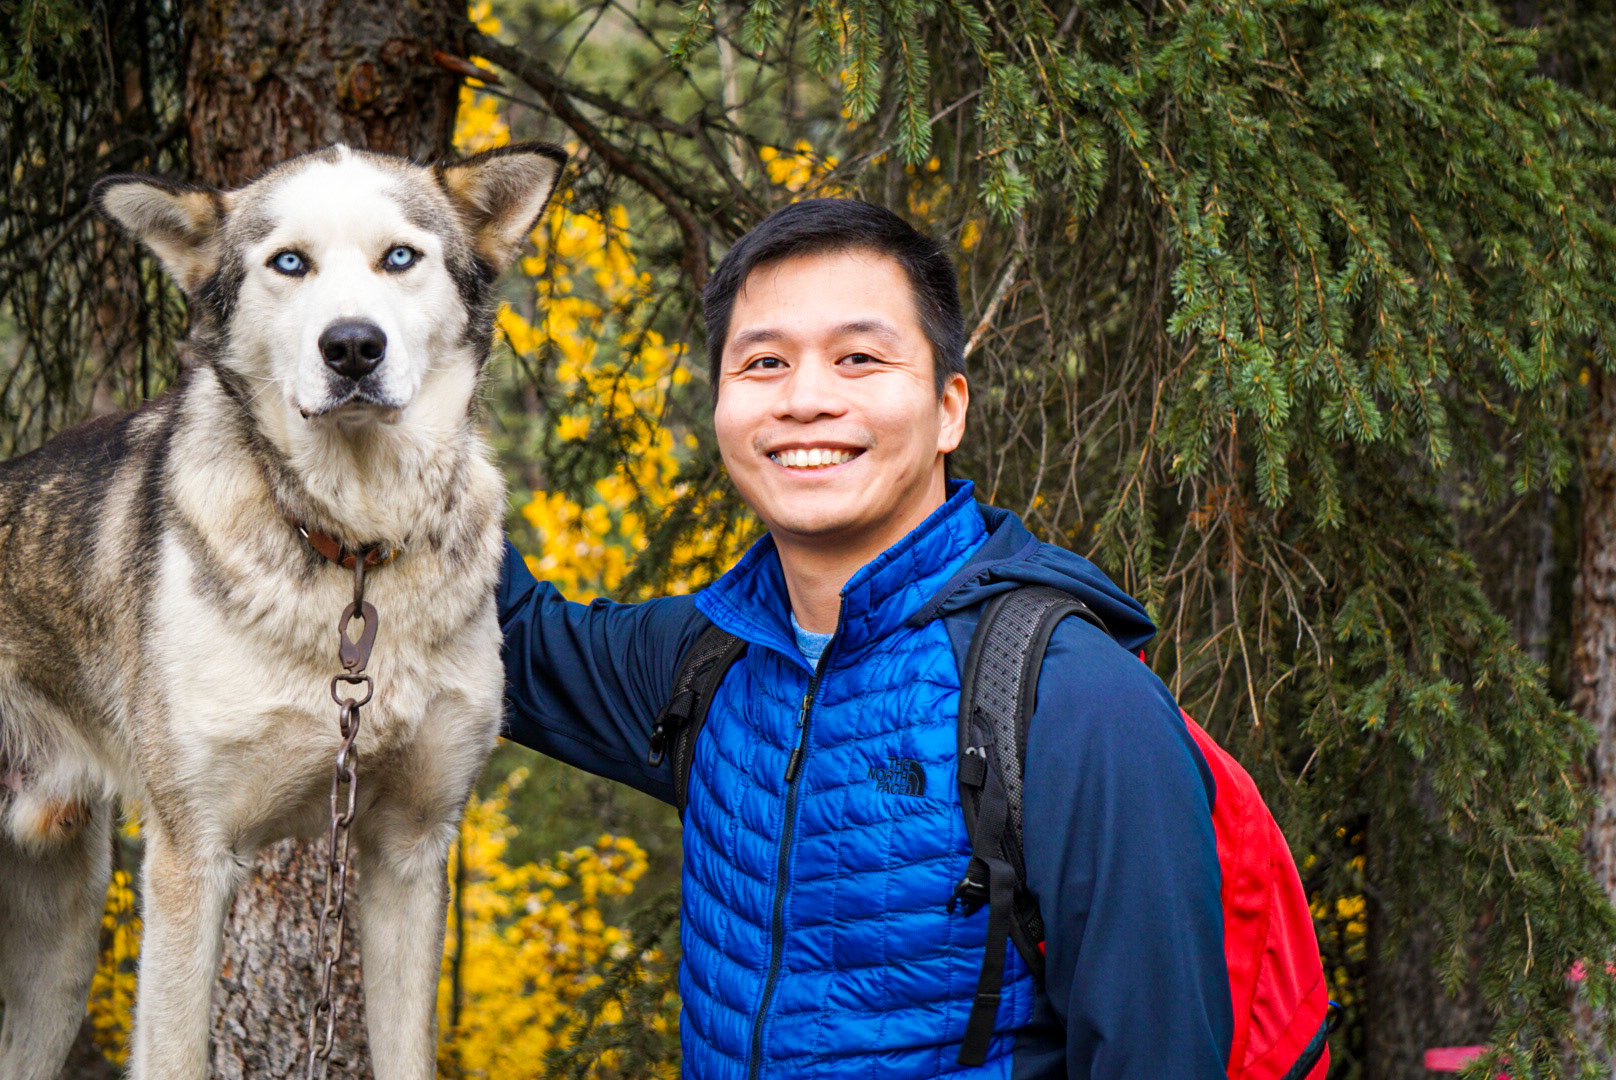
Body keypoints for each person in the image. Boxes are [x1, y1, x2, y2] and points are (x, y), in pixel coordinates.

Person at [497, 198, 1232, 1077]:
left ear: (948, 407)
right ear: (723, 404)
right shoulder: (714, 658)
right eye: (763, 361)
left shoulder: (1071, 698)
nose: (806, 400)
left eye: (859, 358)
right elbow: (506, 636)